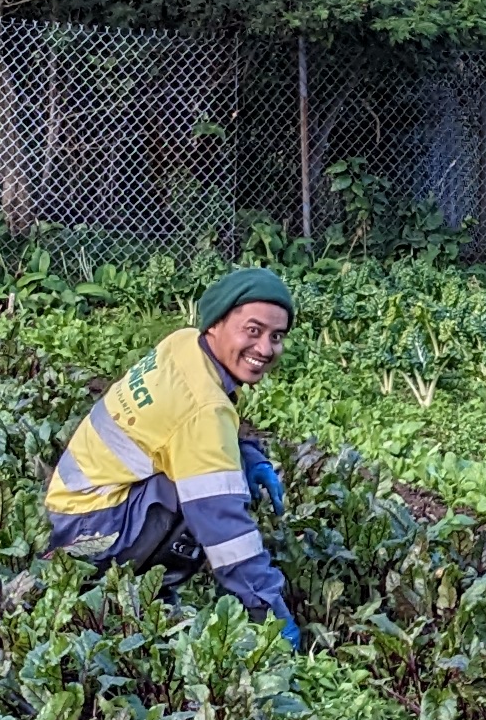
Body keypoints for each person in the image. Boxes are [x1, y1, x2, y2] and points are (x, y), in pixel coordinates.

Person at [41, 268, 302, 646]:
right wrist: (272, 617)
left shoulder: (185, 344)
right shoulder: (203, 411)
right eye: (252, 330)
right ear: (216, 324)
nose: (265, 348)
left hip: (76, 501)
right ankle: (139, 601)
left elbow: (190, 424)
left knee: (215, 476)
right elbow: (225, 530)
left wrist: (247, 454)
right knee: (203, 500)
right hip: (88, 531)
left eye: (276, 337)